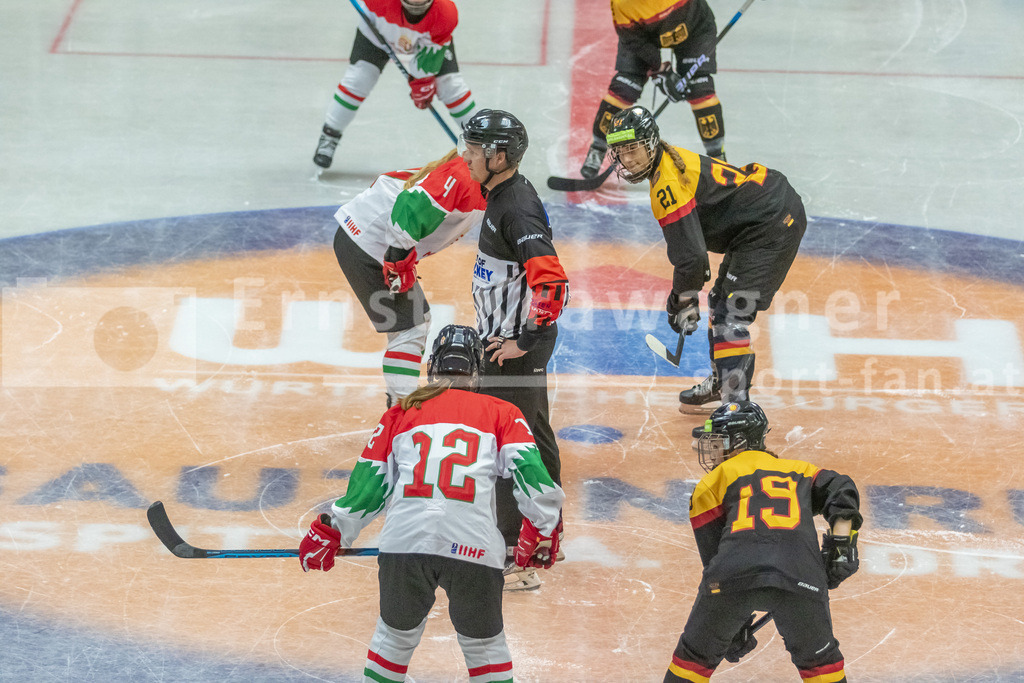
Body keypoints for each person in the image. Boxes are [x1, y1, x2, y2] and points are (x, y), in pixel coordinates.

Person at [299, 324, 565, 682]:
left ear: (431, 367)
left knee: (392, 643)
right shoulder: (502, 412)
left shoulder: (401, 413)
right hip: (474, 546)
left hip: (405, 542)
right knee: (486, 651)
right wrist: (542, 530)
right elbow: (534, 480)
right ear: (477, 371)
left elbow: (368, 489)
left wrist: (335, 530)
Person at [604, 105, 807, 411]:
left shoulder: (666, 186)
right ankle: (723, 381)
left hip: (771, 223)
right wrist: (686, 296)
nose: (628, 159)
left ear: (651, 143)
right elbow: (694, 259)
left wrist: (681, 300)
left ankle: (736, 408)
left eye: (633, 149)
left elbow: (692, 259)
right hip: (758, 215)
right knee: (721, 302)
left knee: (732, 315)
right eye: (620, 151)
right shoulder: (666, 162)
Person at [664, 401, 861, 682]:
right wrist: (842, 545)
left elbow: (715, 561)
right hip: (801, 576)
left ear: (740, 442)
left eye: (718, 441)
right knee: (822, 667)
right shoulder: (801, 470)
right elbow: (842, 487)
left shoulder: (711, 483)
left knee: (691, 663)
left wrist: (735, 623)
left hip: (732, 579)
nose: (710, 450)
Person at [460, 109, 570, 590]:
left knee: (511, 446)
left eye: (473, 149)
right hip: (505, 342)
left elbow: (552, 283)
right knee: (531, 435)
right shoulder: (501, 194)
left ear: (498, 156)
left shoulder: (517, 207)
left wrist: (521, 342)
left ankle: (517, 553)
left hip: (514, 349)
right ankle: (544, 538)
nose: (466, 157)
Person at [332, 148, 486, 406]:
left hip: (368, 237)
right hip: (369, 244)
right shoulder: (465, 178)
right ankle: (401, 411)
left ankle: (399, 405)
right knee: (411, 327)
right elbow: (410, 209)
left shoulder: (472, 173)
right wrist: (397, 263)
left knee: (414, 322)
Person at [313, 0, 479, 169]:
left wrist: (422, 82)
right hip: (376, 32)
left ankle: (481, 142)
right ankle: (330, 135)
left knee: (450, 85)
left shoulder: (445, 13)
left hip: (427, 40)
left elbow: (426, 62)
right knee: (359, 79)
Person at [580, 0, 725, 179]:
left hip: (694, 28)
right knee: (624, 88)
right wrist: (659, 69)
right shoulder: (622, 4)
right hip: (643, 35)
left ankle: (718, 158)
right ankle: (598, 147)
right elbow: (633, 40)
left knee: (700, 89)